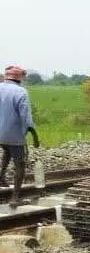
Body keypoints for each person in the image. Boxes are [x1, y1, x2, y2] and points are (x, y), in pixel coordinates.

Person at [0, 66, 39, 208]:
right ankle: (15, 198)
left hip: (0, 134)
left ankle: (1, 177)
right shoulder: (21, 92)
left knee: (7, 151)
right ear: (19, 79)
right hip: (14, 135)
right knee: (20, 164)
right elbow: (26, 118)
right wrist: (34, 136)